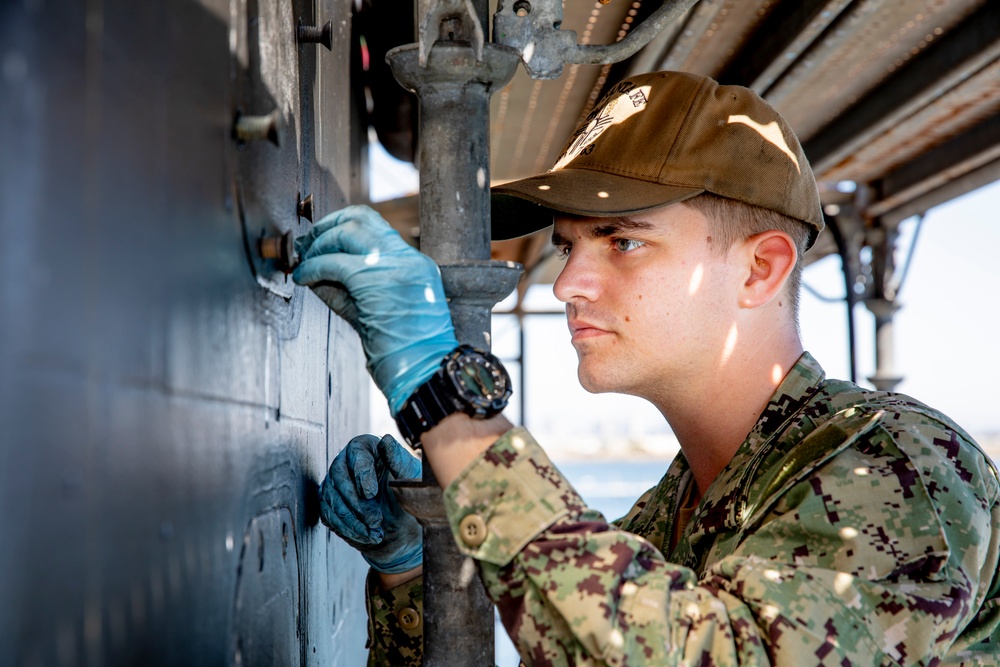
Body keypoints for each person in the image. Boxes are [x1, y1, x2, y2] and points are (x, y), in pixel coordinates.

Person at [292, 71, 1000, 665]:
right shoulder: (679, 506)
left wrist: (444, 401)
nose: (569, 284)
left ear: (761, 269)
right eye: (568, 246)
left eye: (623, 241)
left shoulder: (901, 464)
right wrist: (410, 570)